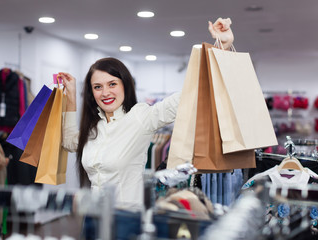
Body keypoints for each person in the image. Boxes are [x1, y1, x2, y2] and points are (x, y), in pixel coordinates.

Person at [59, 17, 234, 209]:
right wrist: (71, 96)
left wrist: (222, 48)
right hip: (92, 218)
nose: (105, 92)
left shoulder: (140, 117)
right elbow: (69, 142)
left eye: (112, 84)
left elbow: (191, 96)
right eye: (98, 87)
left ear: (125, 85)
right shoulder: (94, 128)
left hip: (126, 219)